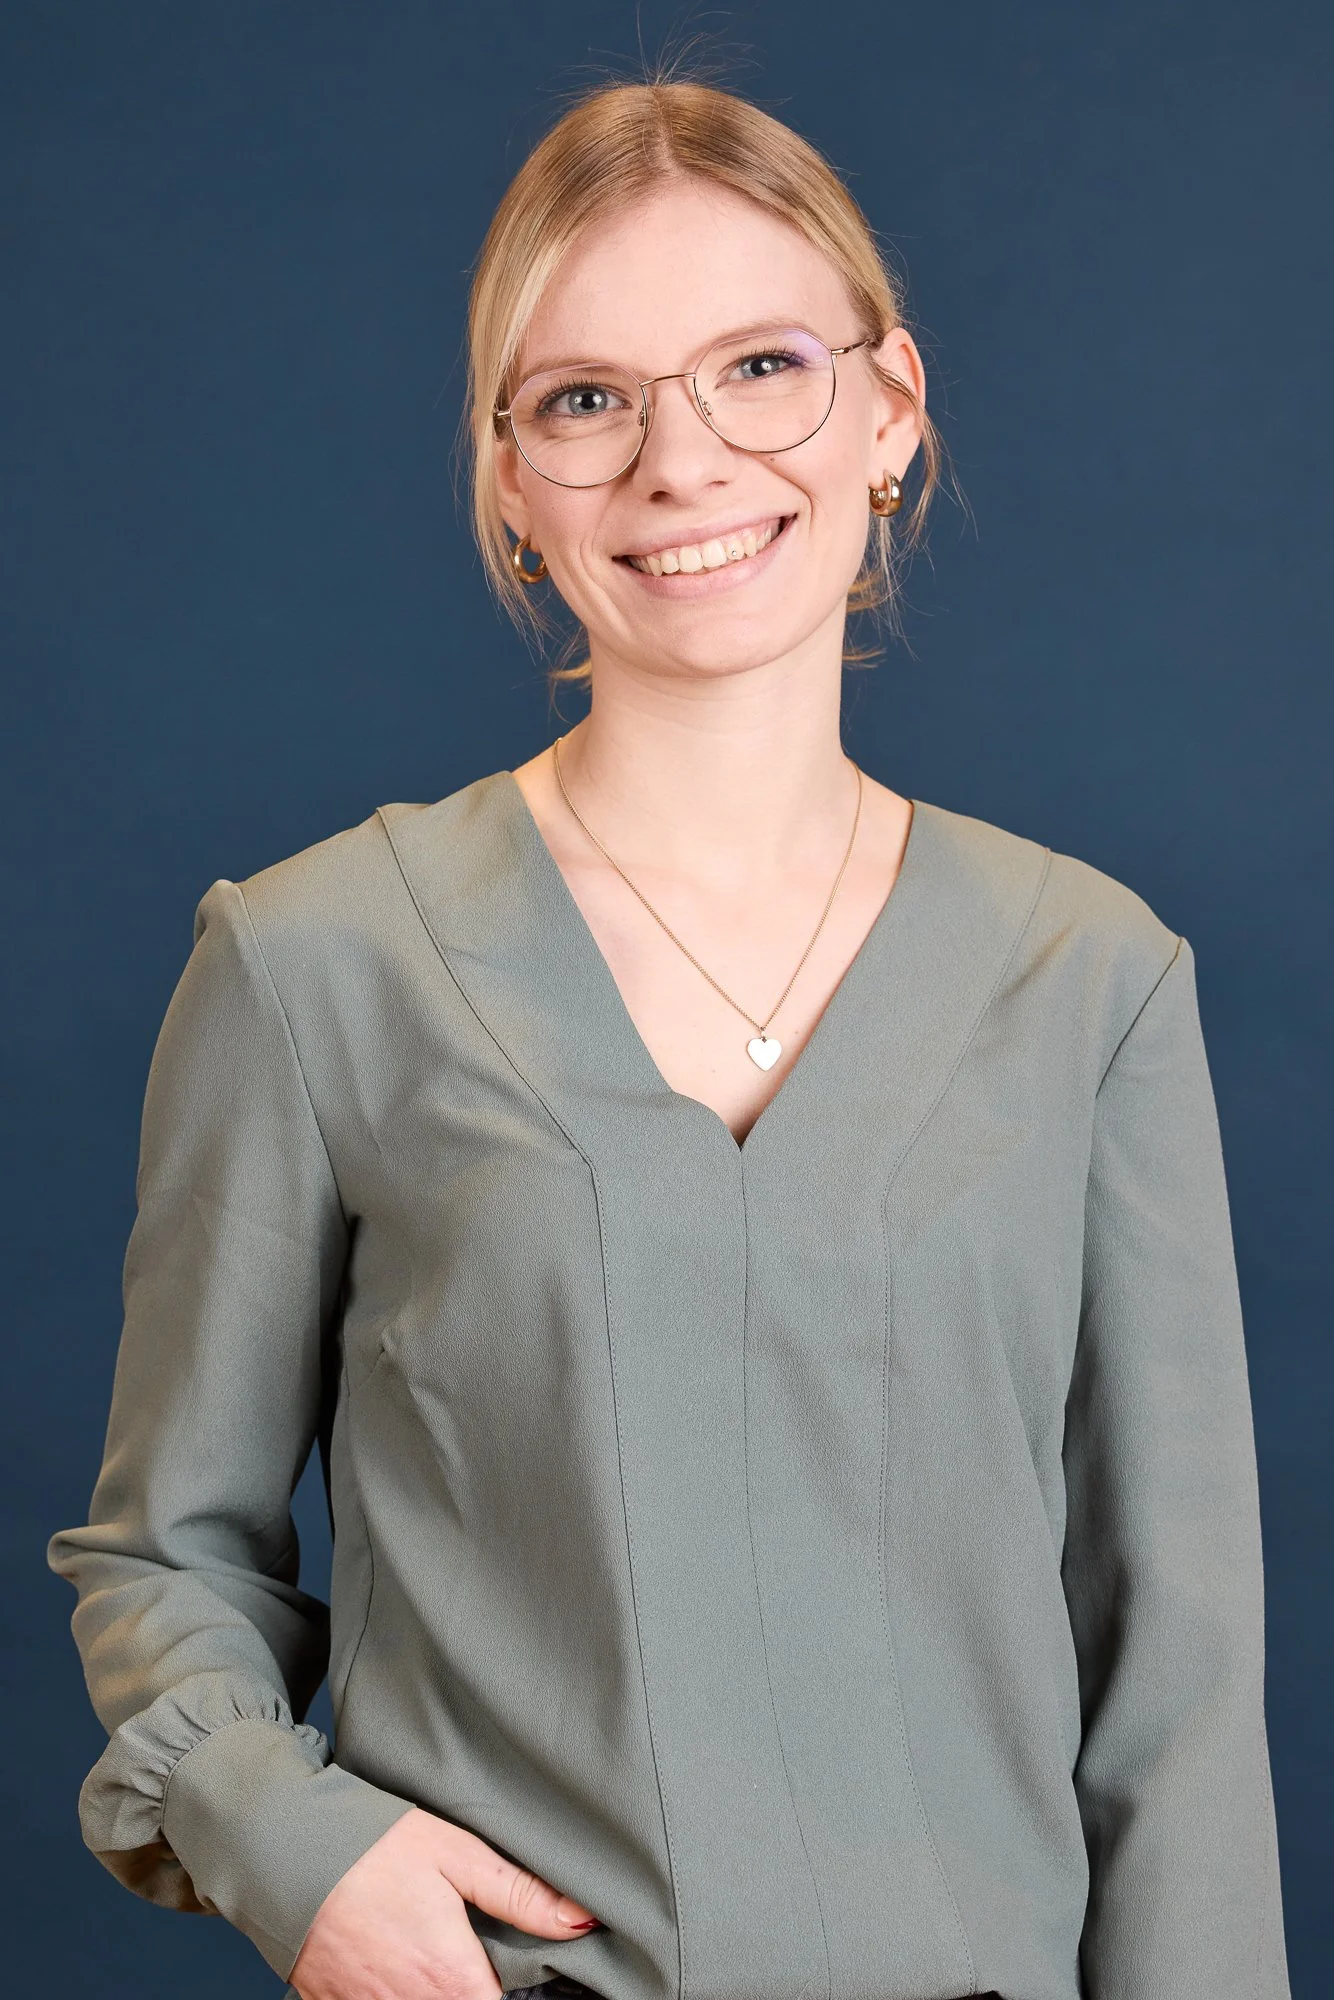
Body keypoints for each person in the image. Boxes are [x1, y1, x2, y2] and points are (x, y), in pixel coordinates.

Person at [48, 75, 1290, 2000]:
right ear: (511, 482)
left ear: (887, 414)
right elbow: (162, 1553)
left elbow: (1176, 1681)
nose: (679, 462)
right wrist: (302, 1851)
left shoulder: (1087, 979)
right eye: (586, 398)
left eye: (758, 367)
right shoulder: (316, 962)